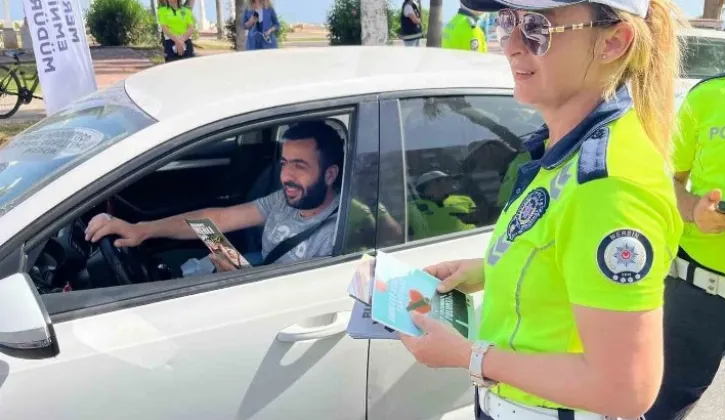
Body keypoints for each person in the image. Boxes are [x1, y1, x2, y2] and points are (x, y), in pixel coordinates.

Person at [397, 1, 686, 420]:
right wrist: (491, 268)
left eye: (536, 27)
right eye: (508, 21)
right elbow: (564, 250)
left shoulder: (608, 183)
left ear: (613, 42)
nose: (512, 44)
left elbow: (625, 388)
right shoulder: (569, 143)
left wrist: (469, 356)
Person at [644, 2, 725, 420]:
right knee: (651, 410)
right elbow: (668, 179)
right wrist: (694, 209)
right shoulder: (707, 97)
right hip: (691, 298)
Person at [84, 121, 344, 273]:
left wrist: (241, 281)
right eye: (285, 163)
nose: (286, 176)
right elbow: (214, 220)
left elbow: (310, 306)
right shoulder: (283, 200)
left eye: (299, 166)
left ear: (330, 174)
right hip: (254, 268)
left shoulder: (339, 230)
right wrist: (142, 230)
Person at [408, 171, 477, 240]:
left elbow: (481, 220)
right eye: (447, 179)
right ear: (432, 184)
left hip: (470, 241)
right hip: (431, 246)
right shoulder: (413, 206)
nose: (453, 181)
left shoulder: (465, 199)